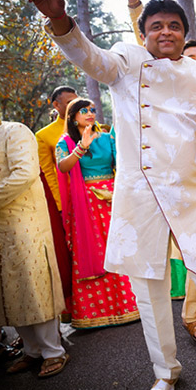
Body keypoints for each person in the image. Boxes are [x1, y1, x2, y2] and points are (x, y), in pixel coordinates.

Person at [25, 0, 196, 390]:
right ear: (143, 33)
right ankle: (165, 371)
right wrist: (62, 22)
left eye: (175, 25)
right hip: (139, 195)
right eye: (157, 26)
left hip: (190, 192)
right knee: (148, 287)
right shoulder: (127, 60)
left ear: (184, 32)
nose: (166, 31)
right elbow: (91, 60)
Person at [119, 0, 196, 346]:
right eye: (157, 27)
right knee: (166, 270)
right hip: (150, 191)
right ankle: (182, 335)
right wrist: (135, 4)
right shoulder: (140, 72)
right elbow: (146, 49)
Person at [0, 101, 69, 378]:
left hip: (24, 224)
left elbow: (25, 173)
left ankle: (53, 351)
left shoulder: (14, 131)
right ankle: (32, 352)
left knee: (34, 286)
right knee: (8, 291)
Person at [55, 98, 140, 328]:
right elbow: (63, 167)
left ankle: (130, 305)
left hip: (114, 198)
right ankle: (93, 312)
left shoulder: (106, 138)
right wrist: (81, 147)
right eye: (84, 111)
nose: (90, 113)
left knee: (120, 247)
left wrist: (117, 191)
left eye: (92, 109)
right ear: (73, 117)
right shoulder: (66, 142)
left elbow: (121, 164)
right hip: (86, 205)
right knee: (96, 251)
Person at [35, 85, 78, 319]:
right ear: (56, 105)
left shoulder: (90, 126)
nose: (74, 105)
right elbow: (49, 173)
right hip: (67, 202)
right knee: (70, 252)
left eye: (77, 100)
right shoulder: (44, 136)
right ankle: (73, 305)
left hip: (95, 197)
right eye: (69, 101)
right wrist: (61, 205)